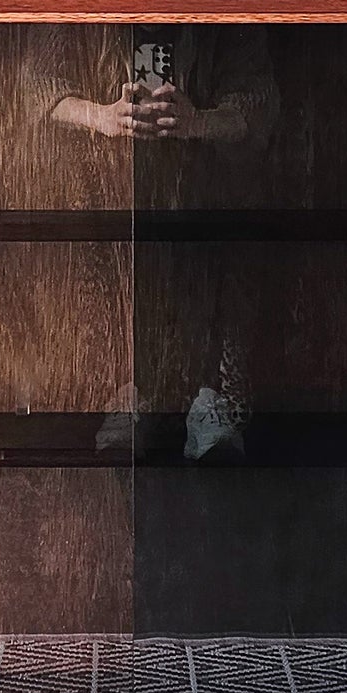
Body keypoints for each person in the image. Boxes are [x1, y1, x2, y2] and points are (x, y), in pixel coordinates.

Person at [49, 26, 278, 458]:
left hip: (211, 192)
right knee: (108, 267)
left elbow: (257, 106)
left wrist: (196, 122)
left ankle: (215, 405)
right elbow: (34, 91)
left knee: (228, 253)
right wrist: (99, 115)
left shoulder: (220, 16)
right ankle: (126, 397)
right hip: (101, 187)